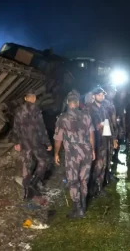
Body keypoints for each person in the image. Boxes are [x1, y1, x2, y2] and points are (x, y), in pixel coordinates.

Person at [53, 91, 95, 219]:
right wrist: (93, 150)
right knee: (83, 180)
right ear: (77, 103)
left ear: (67, 102)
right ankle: (83, 205)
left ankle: (77, 208)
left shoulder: (62, 118)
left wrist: (56, 153)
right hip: (86, 153)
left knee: (73, 181)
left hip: (72, 155)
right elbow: (92, 135)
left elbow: (58, 138)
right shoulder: (87, 116)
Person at [12, 89, 52, 200]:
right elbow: (42, 128)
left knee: (26, 166)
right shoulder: (37, 110)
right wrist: (47, 143)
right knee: (44, 162)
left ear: (25, 98)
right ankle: (34, 182)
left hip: (25, 143)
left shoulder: (18, 111)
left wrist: (16, 142)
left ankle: (26, 193)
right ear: (33, 98)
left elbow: (15, 128)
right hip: (36, 143)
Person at [88, 87, 118, 197]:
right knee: (97, 166)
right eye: (99, 95)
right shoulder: (89, 110)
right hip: (95, 143)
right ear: (94, 96)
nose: (102, 97)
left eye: (103, 95)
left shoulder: (104, 109)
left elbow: (108, 125)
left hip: (105, 141)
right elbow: (86, 128)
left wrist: (113, 138)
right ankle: (92, 188)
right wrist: (97, 126)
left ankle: (99, 188)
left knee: (103, 164)